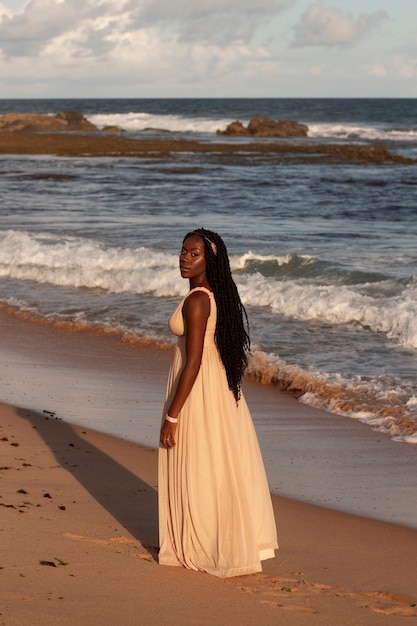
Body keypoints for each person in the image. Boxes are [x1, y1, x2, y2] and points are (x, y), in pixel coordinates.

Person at [158, 228, 278, 578]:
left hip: (197, 388)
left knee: (198, 462)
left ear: (209, 260)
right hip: (212, 385)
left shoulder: (198, 300)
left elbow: (193, 362)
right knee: (212, 462)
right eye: (183, 251)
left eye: (194, 253)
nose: (185, 257)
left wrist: (172, 415)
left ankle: (203, 544)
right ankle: (205, 540)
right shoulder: (210, 295)